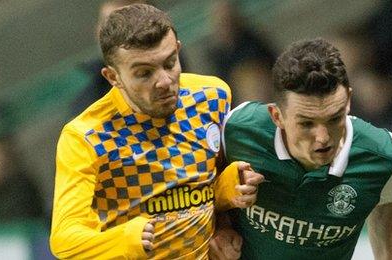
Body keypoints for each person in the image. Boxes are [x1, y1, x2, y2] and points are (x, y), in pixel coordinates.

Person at [50, 4, 263, 259]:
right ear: (112, 77)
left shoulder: (212, 97)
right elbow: (64, 240)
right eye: (144, 73)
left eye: (170, 63)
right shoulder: (85, 137)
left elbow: (206, 188)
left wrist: (228, 190)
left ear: (178, 50)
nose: (164, 81)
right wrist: (124, 240)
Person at [217, 38, 392, 259]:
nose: (323, 138)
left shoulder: (385, 156)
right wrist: (220, 223)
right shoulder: (237, 130)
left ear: (347, 101)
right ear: (277, 116)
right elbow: (197, 188)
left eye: (334, 118)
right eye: (307, 123)